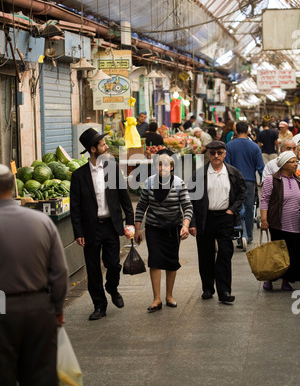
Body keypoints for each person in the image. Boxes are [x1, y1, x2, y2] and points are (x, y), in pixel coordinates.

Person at [0, 164, 68, 386]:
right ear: (13, 187)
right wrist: (57, 309)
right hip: (38, 308)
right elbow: (59, 272)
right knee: (40, 384)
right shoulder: (41, 221)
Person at [70, 128, 134, 321]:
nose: (106, 147)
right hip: (90, 228)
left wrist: (130, 222)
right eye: (102, 145)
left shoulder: (113, 168)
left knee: (113, 264)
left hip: (110, 226)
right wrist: (78, 232)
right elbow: (75, 207)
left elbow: (124, 198)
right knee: (92, 268)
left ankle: (112, 287)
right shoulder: (79, 176)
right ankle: (99, 305)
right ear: (93, 149)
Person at [134, 149, 193, 312]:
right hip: (153, 228)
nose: (163, 168)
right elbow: (141, 206)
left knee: (171, 261)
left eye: (166, 165)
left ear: (172, 167)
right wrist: (138, 229)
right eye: (160, 165)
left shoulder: (179, 183)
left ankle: (169, 296)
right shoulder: (149, 183)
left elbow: (187, 206)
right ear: (156, 167)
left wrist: (185, 225)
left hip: (172, 228)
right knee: (155, 260)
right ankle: (156, 299)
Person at [188, 141, 247, 304]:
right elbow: (190, 200)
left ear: (224, 154)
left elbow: (242, 192)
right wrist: (191, 222)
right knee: (205, 254)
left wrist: (232, 210)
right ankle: (207, 288)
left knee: (225, 253)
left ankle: (224, 291)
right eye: (212, 153)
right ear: (208, 154)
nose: (216, 156)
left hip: (224, 217)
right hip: (204, 218)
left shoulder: (233, 173)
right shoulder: (199, 174)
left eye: (219, 153)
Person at [260, 151, 300, 291]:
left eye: (296, 161)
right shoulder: (272, 180)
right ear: (284, 164)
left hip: (295, 224)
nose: (296, 164)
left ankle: (286, 281)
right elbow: (264, 200)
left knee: (292, 254)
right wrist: (264, 220)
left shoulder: (297, 180)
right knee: (276, 254)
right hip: (278, 223)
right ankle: (269, 279)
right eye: (293, 161)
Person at [225, 121, 265, 244]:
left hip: (234, 182)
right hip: (249, 182)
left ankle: (238, 235)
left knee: (235, 207)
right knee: (249, 209)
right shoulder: (254, 147)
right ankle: (249, 235)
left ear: (235, 131)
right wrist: (264, 182)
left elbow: (227, 165)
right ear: (248, 131)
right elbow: (261, 167)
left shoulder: (229, 146)